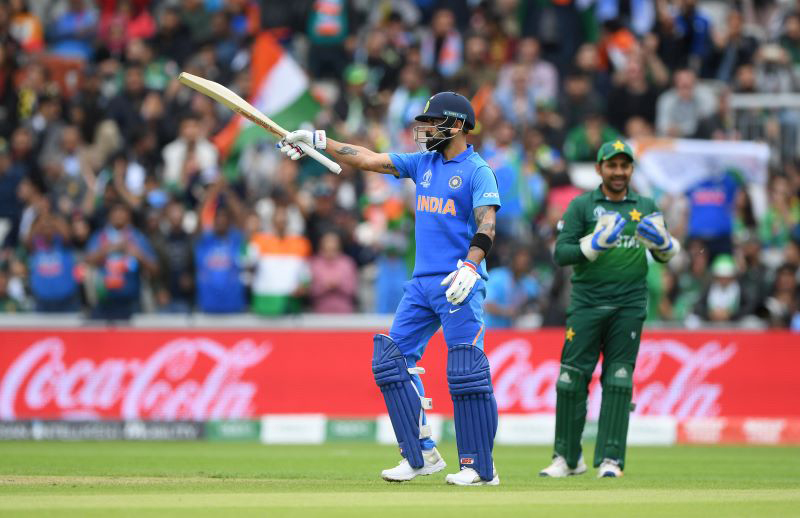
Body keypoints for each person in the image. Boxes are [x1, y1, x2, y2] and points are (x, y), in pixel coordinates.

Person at [279, 92, 502, 486]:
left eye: (433, 122)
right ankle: (420, 455)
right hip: (421, 283)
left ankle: (480, 467)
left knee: (466, 370)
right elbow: (367, 158)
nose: (425, 129)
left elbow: (487, 224)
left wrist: (471, 265)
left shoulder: (478, 170)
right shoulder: (423, 163)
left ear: (456, 125)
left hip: (459, 281)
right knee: (390, 361)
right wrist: (316, 140)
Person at [540, 140, 680, 478]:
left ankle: (611, 460)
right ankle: (567, 459)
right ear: (599, 169)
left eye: (624, 166)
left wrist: (664, 245)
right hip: (586, 305)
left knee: (619, 380)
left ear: (631, 169)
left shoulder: (646, 206)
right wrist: (593, 246)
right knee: (570, 379)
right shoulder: (581, 206)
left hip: (628, 307)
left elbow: (664, 254)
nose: (619, 172)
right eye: (612, 165)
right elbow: (561, 254)